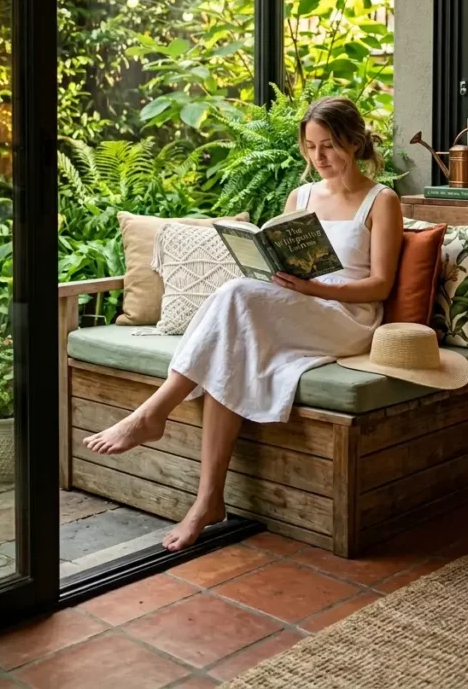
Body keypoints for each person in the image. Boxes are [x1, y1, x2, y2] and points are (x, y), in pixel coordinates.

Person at [84, 96, 404, 551]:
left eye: (329, 146)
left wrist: (315, 290)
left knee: (234, 298)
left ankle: (152, 414)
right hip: (300, 304)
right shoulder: (303, 196)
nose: (319, 158)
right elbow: (288, 260)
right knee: (231, 340)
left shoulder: (382, 200)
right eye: (310, 147)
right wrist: (276, 272)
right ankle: (208, 500)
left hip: (346, 316)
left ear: (354, 142)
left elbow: (380, 286)